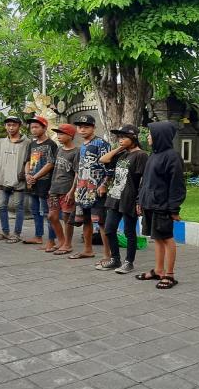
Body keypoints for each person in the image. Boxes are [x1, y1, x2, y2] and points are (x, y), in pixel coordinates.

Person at [135, 121, 186, 289]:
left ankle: (170, 275)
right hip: (150, 204)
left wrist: (173, 208)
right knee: (157, 238)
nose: (148, 137)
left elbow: (177, 185)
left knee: (166, 238)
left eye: (151, 134)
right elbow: (145, 181)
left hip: (162, 205)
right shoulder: (153, 155)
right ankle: (158, 270)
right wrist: (140, 201)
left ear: (160, 136)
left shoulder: (172, 156)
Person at [99, 124, 148, 273]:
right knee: (109, 229)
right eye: (119, 137)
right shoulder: (122, 154)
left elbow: (143, 180)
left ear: (134, 138)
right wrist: (120, 148)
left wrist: (139, 200)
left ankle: (129, 262)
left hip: (129, 198)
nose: (120, 140)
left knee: (129, 232)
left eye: (124, 137)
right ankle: (115, 259)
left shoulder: (141, 155)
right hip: (115, 196)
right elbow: (103, 159)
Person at [68, 114, 111, 261]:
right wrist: (75, 189)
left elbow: (109, 168)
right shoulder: (82, 146)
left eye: (86, 126)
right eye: (80, 127)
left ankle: (107, 255)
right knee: (85, 220)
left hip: (97, 189)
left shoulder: (102, 144)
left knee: (101, 222)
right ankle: (88, 250)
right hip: (82, 190)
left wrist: (104, 184)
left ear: (94, 128)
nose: (82, 129)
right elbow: (79, 170)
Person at [0, 116, 29, 244]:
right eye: (8, 125)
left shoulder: (26, 142)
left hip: (19, 181)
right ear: (5, 126)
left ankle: (16, 233)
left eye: (14, 125)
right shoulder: (1, 142)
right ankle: (5, 232)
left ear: (19, 126)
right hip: (3, 180)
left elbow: (28, 161)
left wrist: (23, 173)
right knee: (1, 206)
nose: (11, 128)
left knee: (19, 207)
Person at [23, 116, 59, 250]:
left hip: (45, 183)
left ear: (44, 128)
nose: (33, 129)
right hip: (32, 182)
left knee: (47, 212)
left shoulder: (50, 144)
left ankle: (51, 240)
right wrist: (27, 175)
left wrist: (36, 176)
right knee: (35, 210)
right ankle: (38, 236)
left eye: (36, 127)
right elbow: (27, 161)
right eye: (32, 127)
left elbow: (51, 163)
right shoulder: (31, 144)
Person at [47, 124, 80, 255]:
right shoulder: (59, 150)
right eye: (58, 134)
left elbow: (77, 173)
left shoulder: (76, 152)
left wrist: (72, 191)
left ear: (70, 136)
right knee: (52, 216)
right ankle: (61, 240)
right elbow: (55, 169)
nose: (59, 136)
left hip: (67, 189)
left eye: (61, 134)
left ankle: (68, 244)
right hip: (55, 188)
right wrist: (51, 187)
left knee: (67, 217)